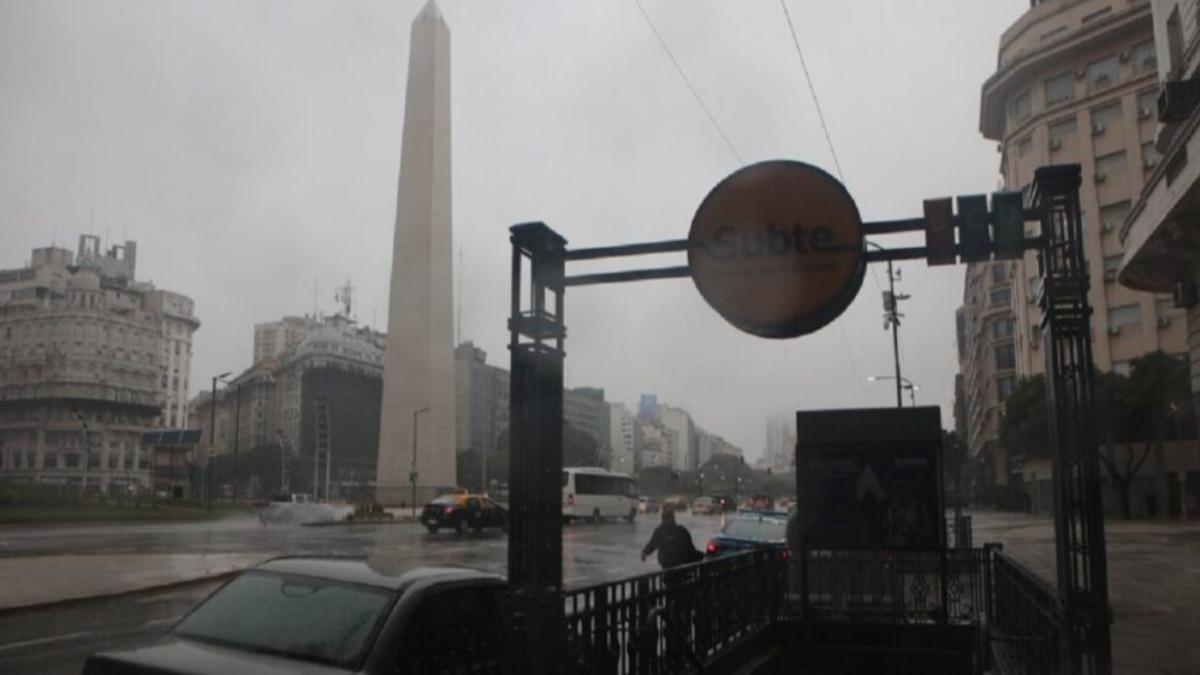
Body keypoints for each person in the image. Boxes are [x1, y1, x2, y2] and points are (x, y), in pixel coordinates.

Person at [641, 504, 702, 569]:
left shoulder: (681, 531)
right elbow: (652, 544)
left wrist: (645, 553)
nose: (669, 520)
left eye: (669, 517)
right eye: (667, 517)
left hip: (679, 565)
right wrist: (645, 552)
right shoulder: (661, 531)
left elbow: (690, 549)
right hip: (672, 565)